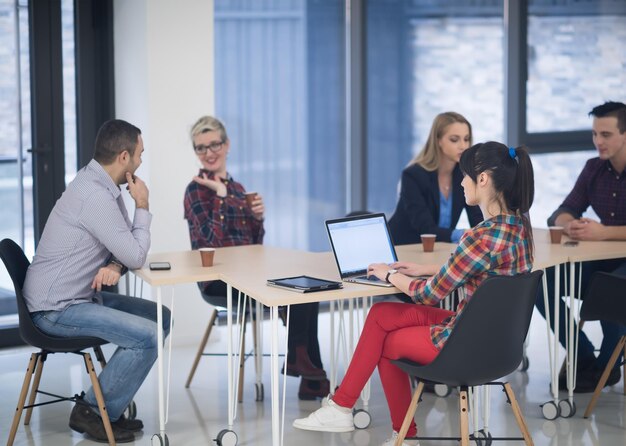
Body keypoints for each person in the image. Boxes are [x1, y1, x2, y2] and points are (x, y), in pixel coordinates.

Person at [293, 141, 535, 446]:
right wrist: (423, 268)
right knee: (381, 314)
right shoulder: (520, 228)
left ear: (483, 179)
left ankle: (394, 431)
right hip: (500, 343)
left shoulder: (480, 237)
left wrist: (389, 274)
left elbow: (427, 296)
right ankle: (343, 407)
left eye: (465, 176)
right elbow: (485, 273)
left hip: (468, 345)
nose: (461, 182)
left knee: (387, 344)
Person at [22, 119, 171, 443]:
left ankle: (108, 409)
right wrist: (143, 205)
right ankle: (92, 411)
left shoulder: (100, 184)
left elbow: (122, 248)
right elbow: (134, 254)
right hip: (55, 309)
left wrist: (115, 264)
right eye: (140, 154)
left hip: (78, 296)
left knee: (161, 317)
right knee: (149, 335)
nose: (141, 161)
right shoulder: (95, 196)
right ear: (123, 157)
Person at [183, 115, 328, 400]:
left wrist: (258, 219)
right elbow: (209, 243)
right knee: (296, 292)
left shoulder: (239, 189)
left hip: (250, 275)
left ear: (227, 145)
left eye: (214, 144)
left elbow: (254, 246)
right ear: (196, 153)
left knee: (307, 286)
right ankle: (310, 373)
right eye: (201, 148)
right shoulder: (195, 190)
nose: (209, 152)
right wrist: (221, 197)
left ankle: (305, 366)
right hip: (217, 280)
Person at [535, 101, 626, 393]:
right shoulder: (593, 169)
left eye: (606, 134)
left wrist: (603, 233)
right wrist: (568, 223)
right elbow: (563, 210)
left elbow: (602, 233)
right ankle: (583, 355)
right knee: (540, 283)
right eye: (595, 134)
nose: (598, 141)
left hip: (619, 271)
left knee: (612, 288)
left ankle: (609, 365)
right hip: (602, 262)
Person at [388, 112, 483, 245]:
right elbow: (426, 229)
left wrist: (487, 231)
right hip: (405, 248)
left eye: (466, 139)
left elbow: (478, 217)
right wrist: (466, 234)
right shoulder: (413, 176)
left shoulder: (464, 176)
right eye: (454, 140)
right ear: (438, 140)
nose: (463, 146)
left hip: (439, 249)